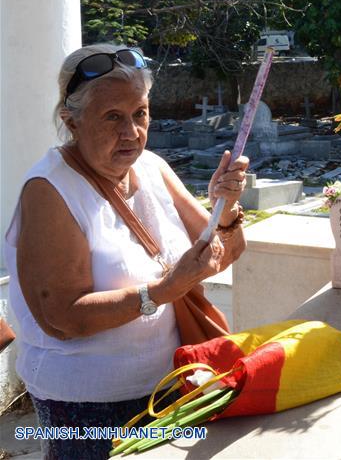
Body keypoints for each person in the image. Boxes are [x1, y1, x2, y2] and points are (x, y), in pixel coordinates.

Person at [4, 44, 249, 459]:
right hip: (85, 408)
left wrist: (223, 210)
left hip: (171, 384)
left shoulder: (151, 168)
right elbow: (62, 318)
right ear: (72, 122)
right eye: (113, 117)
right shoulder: (50, 190)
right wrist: (161, 291)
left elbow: (224, 253)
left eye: (140, 113)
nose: (132, 132)